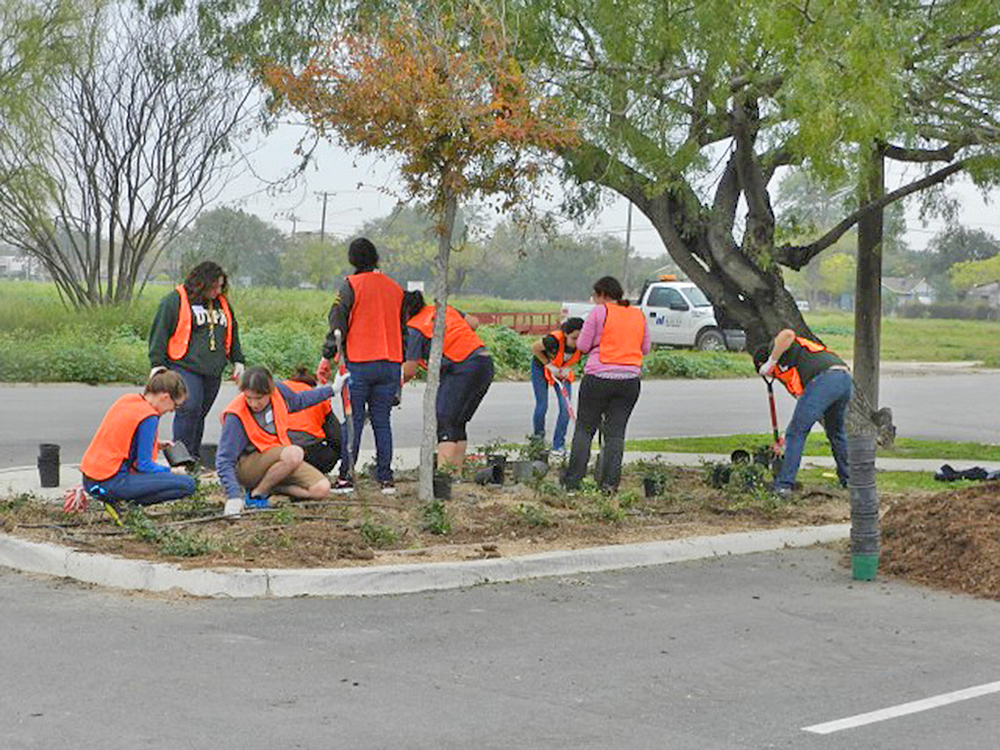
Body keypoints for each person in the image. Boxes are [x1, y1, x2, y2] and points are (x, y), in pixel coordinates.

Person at [317, 238, 405, 495]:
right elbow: (403, 329)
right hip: (390, 363)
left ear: (353, 259)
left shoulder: (350, 285)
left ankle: (346, 478)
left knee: (352, 421)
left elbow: (337, 326)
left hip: (359, 363)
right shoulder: (394, 288)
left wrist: (326, 356)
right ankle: (386, 479)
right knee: (381, 421)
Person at [216, 366, 349, 518]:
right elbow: (224, 460)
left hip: (279, 461)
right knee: (295, 452)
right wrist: (233, 496)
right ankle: (257, 495)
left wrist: (332, 390)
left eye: (258, 398)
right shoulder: (235, 415)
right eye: (248, 397)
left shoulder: (279, 392)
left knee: (321, 488)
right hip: (248, 466)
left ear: (270, 392)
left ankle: (273, 487)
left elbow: (300, 400)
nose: (253, 404)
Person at [148, 261, 245, 467]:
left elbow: (232, 331)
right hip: (185, 365)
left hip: (213, 370)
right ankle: (181, 460)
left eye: (220, 286)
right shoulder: (176, 300)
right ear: (202, 283)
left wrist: (238, 360)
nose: (218, 291)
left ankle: (193, 459)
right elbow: (160, 332)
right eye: (214, 286)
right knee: (188, 409)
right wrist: (157, 363)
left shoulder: (222, 304)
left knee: (200, 413)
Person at [563, 276, 650, 493]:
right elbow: (645, 348)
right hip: (629, 380)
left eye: (594, 296)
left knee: (584, 429)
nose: (593, 300)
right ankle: (609, 484)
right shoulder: (637, 314)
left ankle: (573, 482)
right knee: (615, 434)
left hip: (599, 377)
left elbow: (582, 345)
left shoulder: (600, 312)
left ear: (602, 294)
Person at [80, 370, 197, 524]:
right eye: (174, 406)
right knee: (187, 484)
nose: (171, 411)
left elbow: (123, 435)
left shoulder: (128, 400)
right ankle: (126, 504)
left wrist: (156, 444)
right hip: (110, 482)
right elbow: (145, 466)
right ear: (165, 397)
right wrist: (173, 471)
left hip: (90, 480)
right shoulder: (149, 417)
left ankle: (119, 500)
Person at [401, 291, 494, 472]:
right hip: (484, 361)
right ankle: (455, 473)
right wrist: (455, 336)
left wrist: (390, 384)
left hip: (462, 366)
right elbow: (473, 322)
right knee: (457, 422)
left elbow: (409, 370)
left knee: (444, 419)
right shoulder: (441, 310)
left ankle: (443, 476)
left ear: (404, 311)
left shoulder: (415, 327)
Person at [754, 329, 852, 495]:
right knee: (836, 432)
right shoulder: (798, 369)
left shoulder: (775, 347)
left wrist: (770, 361)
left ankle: (783, 485)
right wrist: (784, 438)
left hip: (827, 378)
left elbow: (787, 334)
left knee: (797, 433)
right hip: (844, 380)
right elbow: (805, 411)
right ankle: (849, 481)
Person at [530, 317, 584, 458]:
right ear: (566, 334)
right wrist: (548, 365)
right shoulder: (553, 340)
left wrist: (568, 369)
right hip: (541, 368)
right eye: (574, 338)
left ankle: (558, 445)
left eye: (580, 338)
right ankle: (537, 443)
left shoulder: (584, 344)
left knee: (566, 407)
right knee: (542, 405)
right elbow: (535, 348)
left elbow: (576, 358)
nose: (577, 342)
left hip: (562, 372)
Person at [282, 368, 342, 475]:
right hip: (310, 454)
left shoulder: (279, 392)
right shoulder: (319, 397)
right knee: (334, 449)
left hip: (281, 450)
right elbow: (336, 436)